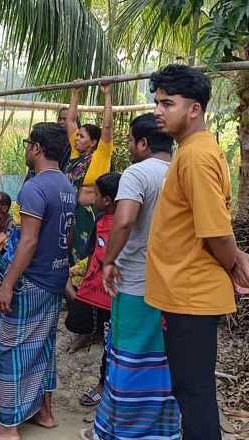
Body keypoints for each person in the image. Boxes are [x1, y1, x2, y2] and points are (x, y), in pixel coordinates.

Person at [144, 64, 249, 439]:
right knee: (191, 392)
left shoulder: (195, 156)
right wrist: (236, 256)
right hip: (184, 292)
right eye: (157, 102)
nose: (158, 111)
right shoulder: (193, 150)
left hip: (190, 295)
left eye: (168, 103)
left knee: (194, 395)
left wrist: (234, 262)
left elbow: (214, 229)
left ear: (194, 109)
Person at [0, 122, 76, 440]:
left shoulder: (34, 187)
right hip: (53, 280)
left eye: (29, 143)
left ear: (38, 148)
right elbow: (67, 239)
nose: (27, 149)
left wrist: (6, 284)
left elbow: (27, 242)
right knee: (43, 345)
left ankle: (6, 428)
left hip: (30, 282)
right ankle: (44, 412)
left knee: (11, 349)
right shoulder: (66, 186)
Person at [81, 113, 180, 440]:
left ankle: (123, 431)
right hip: (171, 286)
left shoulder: (137, 173)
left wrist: (109, 261)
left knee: (127, 359)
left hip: (136, 283)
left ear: (143, 143)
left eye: (130, 141)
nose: (128, 147)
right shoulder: (180, 172)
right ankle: (159, 430)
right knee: (160, 362)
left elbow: (123, 222)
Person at [64, 172, 120, 408]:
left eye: (95, 194)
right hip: (93, 288)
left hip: (115, 295)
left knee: (112, 343)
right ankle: (89, 333)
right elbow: (92, 254)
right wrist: (76, 271)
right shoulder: (99, 220)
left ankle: (103, 384)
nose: (92, 197)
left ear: (106, 200)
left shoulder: (126, 224)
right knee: (75, 321)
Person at [65, 84, 114, 262]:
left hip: (91, 215)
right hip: (72, 214)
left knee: (87, 256)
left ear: (93, 142)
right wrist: (76, 93)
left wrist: (107, 95)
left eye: (82, 136)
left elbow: (107, 129)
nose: (77, 138)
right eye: (77, 136)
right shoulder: (75, 154)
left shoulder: (101, 155)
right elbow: (71, 122)